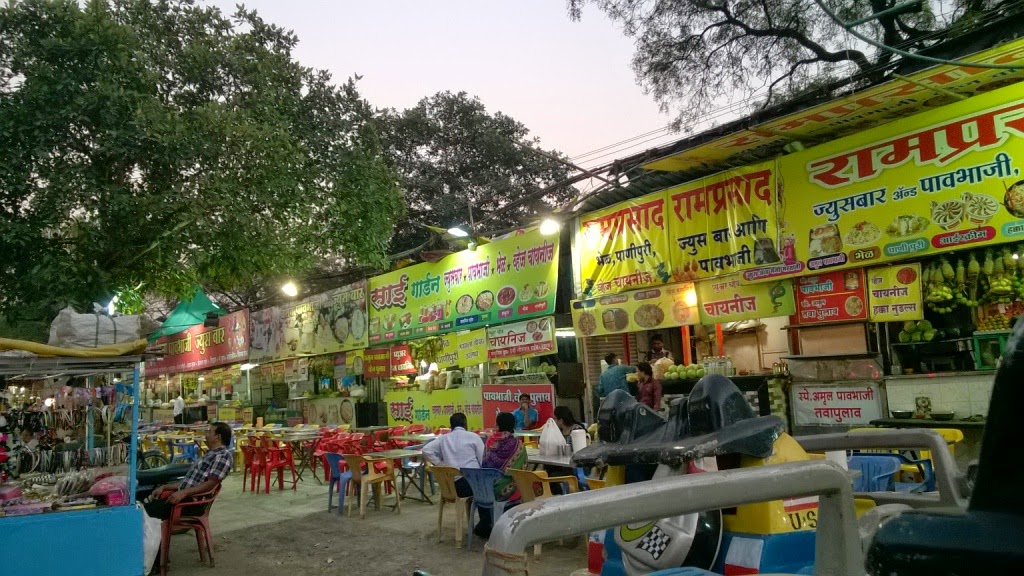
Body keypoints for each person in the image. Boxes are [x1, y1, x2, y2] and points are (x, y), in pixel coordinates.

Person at [144, 422, 233, 519]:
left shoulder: (223, 456)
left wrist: (183, 493)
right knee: (144, 507)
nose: (205, 434)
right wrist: (165, 487)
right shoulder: (211, 454)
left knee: (145, 514)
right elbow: (188, 482)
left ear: (218, 437)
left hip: (192, 502)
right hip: (184, 498)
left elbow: (210, 484)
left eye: (209, 432)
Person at [476, 412, 528, 538]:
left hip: (484, 489)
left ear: (497, 425)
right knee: (526, 483)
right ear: (513, 425)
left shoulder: (490, 441)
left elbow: (484, 463)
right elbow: (520, 469)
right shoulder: (517, 444)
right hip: (503, 490)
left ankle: (486, 524)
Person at [421, 412, 484, 498]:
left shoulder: (443, 438)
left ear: (451, 426)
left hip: (449, 487)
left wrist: (440, 465)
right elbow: (482, 461)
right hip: (471, 485)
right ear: (465, 424)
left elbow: (426, 450)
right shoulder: (474, 437)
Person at [597, 353, 636, 417]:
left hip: (611, 405)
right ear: (614, 359)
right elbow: (634, 369)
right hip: (625, 402)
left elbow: (600, 391)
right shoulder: (621, 368)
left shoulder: (603, 375)